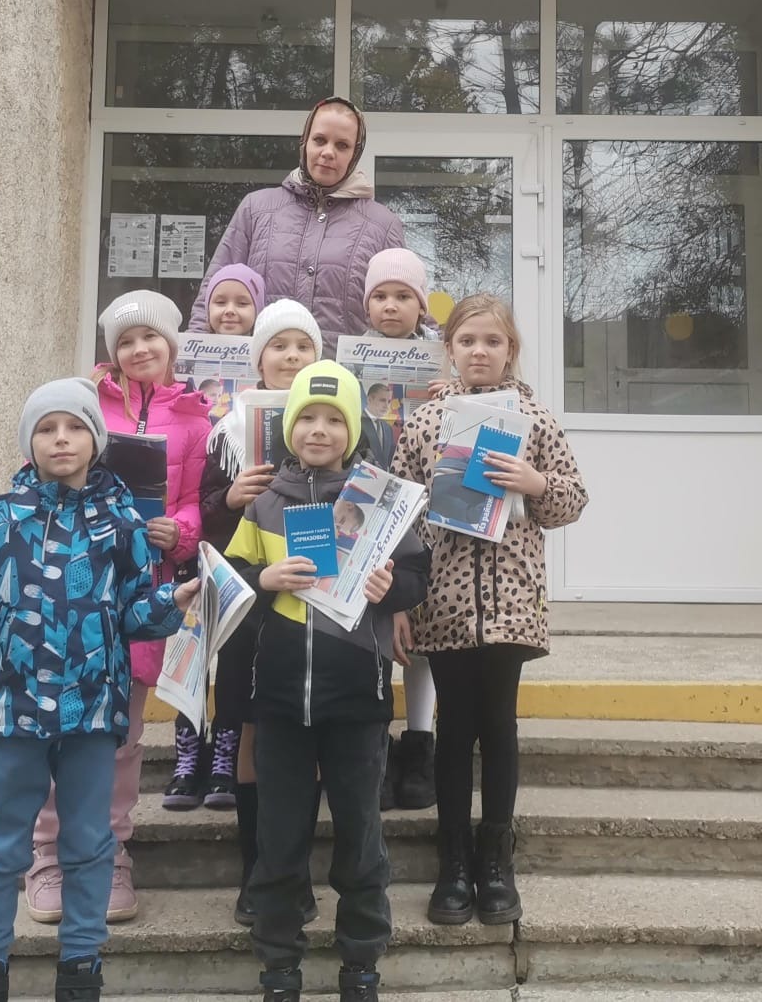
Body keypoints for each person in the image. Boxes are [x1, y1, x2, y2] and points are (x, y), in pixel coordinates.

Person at [0, 379, 201, 1002]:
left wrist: (172, 600)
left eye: (75, 427)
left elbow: (134, 612)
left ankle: (81, 965)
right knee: (0, 845)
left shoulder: (123, 521)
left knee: (88, 841)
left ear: (95, 440)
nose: (61, 439)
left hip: (92, 712)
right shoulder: (1, 519)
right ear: (30, 443)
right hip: (11, 711)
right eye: (47, 429)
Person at [228, 361, 428, 1002]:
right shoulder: (264, 503)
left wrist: (390, 587)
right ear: (289, 427)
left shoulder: (380, 502)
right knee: (279, 839)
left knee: (361, 837)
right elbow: (228, 584)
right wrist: (263, 581)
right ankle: (279, 966)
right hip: (280, 701)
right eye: (307, 418)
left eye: (334, 419)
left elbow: (417, 574)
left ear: (353, 431)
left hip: (357, 699)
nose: (319, 430)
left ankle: (361, 963)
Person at [390, 294, 589, 928]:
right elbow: (398, 513)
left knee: (499, 724)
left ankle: (496, 857)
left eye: (493, 341)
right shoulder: (427, 422)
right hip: (445, 602)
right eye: (468, 340)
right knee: (454, 727)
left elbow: (572, 498)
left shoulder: (534, 418)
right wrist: (399, 599)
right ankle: (452, 859)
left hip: (512, 601)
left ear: (511, 350)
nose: (480, 351)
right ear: (449, 349)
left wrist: (535, 483)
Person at [25, 292, 210, 927]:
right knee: (59, 727)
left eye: (150, 337)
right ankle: (48, 853)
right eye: (126, 341)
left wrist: (180, 532)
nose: (139, 350)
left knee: (124, 738)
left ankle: (110, 853)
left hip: (141, 593)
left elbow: (196, 499)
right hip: (70, 595)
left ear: (171, 345)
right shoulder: (82, 407)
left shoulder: (195, 418)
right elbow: (39, 477)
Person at [192, 299, 323, 916]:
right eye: (278, 346)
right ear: (258, 358)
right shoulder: (226, 429)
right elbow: (204, 518)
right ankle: (256, 873)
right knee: (249, 730)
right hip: (250, 607)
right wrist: (230, 498)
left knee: (306, 739)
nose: (291, 357)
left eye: (303, 346)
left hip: (317, 610)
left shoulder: (342, 430)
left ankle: (295, 874)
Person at [163, 262, 268, 812]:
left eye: (242, 302)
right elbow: (202, 494)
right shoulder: (187, 386)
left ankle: (224, 752)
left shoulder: (287, 401)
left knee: (235, 656)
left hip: (253, 556)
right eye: (220, 301)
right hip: (201, 545)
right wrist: (226, 500)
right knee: (193, 647)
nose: (230, 312)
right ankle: (189, 752)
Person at [189, 98, 404, 352]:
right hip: (260, 373)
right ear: (304, 142)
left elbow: (407, 305)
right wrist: (194, 355)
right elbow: (213, 292)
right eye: (320, 140)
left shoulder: (382, 225)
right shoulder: (256, 209)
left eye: (342, 145)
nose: (328, 152)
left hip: (341, 374)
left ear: (355, 154)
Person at [360, 248, 441, 813]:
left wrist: (447, 394)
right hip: (367, 509)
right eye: (381, 296)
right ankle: (377, 746)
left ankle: (420, 743)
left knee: (421, 637)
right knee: (373, 626)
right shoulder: (347, 361)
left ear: (421, 304)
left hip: (430, 514)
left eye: (403, 296)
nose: (391, 306)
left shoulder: (443, 365)